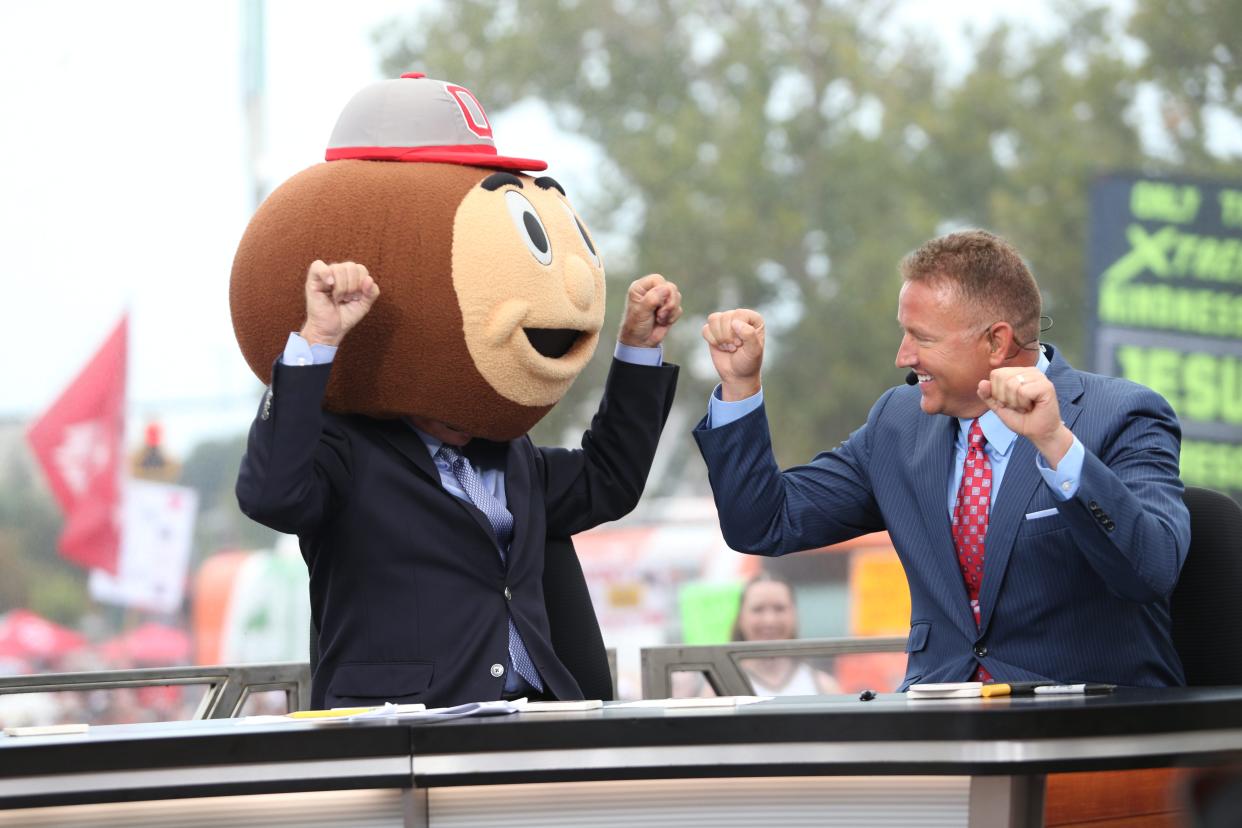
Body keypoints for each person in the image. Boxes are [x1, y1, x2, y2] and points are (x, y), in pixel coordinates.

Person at [232, 73, 682, 710]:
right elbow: (270, 492)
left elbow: (609, 480)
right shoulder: (350, 453)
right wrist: (316, 341)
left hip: (535, 722)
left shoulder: (512, 454)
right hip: (409, 729)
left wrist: (638, 347)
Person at [694, 229, 1190, 689]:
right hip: (940, 727)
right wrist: (740, 389)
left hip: (1084, 732)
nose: (903, 356)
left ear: (996, 342)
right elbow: (764, 524)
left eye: (923, 338)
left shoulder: (1122, 414)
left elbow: (1150, 570)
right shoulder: (898, 423)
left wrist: (1056, 445)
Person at [731, 573, 841, 696]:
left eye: (779, 608)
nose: (769, 620)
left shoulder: (825, 687)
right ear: (741, 617)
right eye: (758, 609)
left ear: (794, 614)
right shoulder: (719, 687)